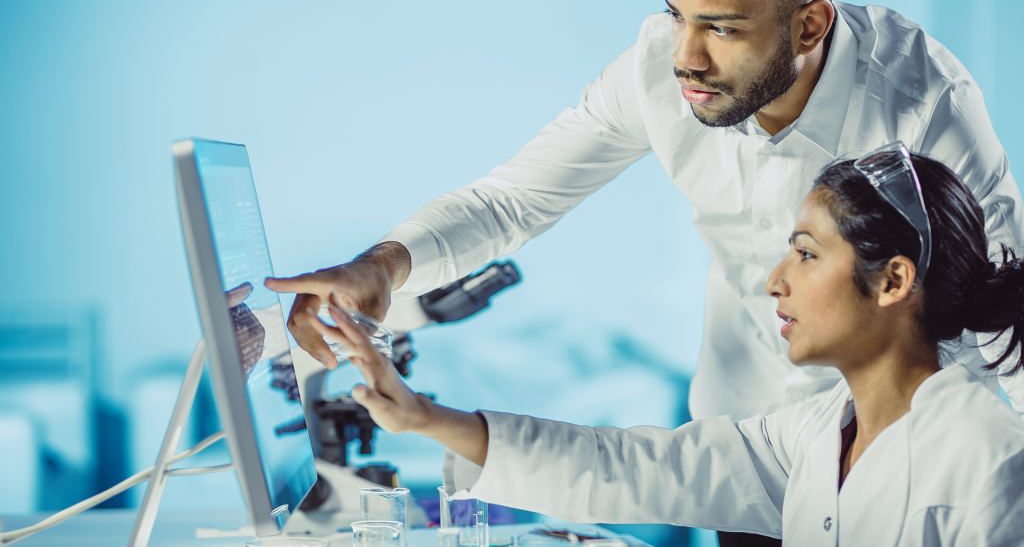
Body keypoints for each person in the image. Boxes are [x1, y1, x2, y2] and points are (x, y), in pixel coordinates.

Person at [267, 0, 1024, 545]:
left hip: (912, 443)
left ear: (810, 25)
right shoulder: (659, 68)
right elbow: (512, 198)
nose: (685, 57)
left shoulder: (925, 103)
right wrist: (383, 265)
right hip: (762, 441)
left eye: (723, 28)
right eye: (677, 16)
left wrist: (994, 456)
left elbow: (1005, 295)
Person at [316, 149, 1024, 544]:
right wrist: (419, 416)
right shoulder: (813, 434)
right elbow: (636, 467)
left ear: (893, 280)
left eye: (805, 254)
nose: (774, 281)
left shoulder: (989, 463)